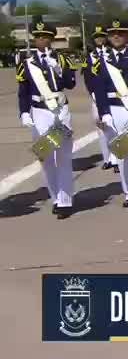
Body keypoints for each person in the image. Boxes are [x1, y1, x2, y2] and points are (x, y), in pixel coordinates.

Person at [17, 20, 77, 219]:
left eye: (46, 37)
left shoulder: (62, 58)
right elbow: (23, 91)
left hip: (60, 110)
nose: (42, 40)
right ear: (34, 39)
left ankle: (66, 201)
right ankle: (56, 198)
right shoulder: (26, 62)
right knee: (46, 158)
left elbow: (71, 84)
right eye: (38, 36)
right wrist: (24, 112)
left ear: (52, 39)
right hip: (39, 111)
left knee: (63, 157)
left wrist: (60, 70)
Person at [93, 19, 128, 213]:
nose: (117, 36)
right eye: (113, 33)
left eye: (121, 33)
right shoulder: (102, 61)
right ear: (108, 37)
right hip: (113, 109)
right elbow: (98, 90)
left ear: (127, 36)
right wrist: (104, 113)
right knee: (121, 154)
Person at [82, 24, 118, 172]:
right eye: (97, 37)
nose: (99, 39)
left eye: (102, 36)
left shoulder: (112, 53)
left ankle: (116, 158)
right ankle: (107, 158)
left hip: (113, 94)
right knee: (101, 128)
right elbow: (87, 78)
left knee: (114, 127)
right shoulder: (89, 56)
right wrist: (93, 94)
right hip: (97, 95)